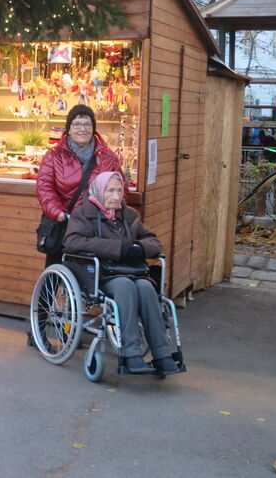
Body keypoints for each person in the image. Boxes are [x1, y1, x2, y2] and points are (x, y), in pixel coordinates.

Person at [63, 171, 180, 375]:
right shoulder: (84, 215)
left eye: (119, 191)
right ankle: (130, 353)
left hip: (132, 271)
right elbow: (72, 242)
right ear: (99, 191)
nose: (116, 196)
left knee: (146, 287)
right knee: (125, 287)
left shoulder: (129, 216)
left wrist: (138, 248)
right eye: (110, 191)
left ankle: (162, 354)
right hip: (102, 274)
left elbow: (154, 241)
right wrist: (117, 248)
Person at [36, 104, 123, 266]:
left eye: (87, 124)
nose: (82, 129)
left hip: (97, 226)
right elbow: (44, 188)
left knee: (92, 275)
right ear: (68, 129)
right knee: (55, 273)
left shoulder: (108, 157)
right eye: (76, 124)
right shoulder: (53, 156)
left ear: (93, 129)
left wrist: (109, 212)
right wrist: (58, 213)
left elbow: (120, 188)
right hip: (65, 223)